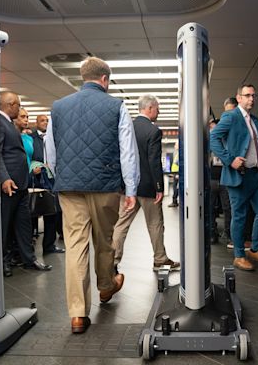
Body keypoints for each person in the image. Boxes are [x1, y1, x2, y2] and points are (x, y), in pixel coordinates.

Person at [45, 57, 140, 334]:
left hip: (69, 186)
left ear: (82, 78)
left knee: (75, 246)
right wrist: (131, 188)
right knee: (104, 241)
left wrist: (58, 174)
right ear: (105, 80)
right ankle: (106, 287)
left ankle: (77, 314)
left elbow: (50, 149)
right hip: (105, 185)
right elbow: (127, 150)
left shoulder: (59, 107)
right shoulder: (116, 106)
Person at [210, 84, 258, 271]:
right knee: (239, 216)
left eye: (254, 95)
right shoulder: (230, 117)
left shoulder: (255, 121)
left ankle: (254, 249)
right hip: (238, 175)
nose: (251, 99)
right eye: (247, 95)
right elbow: (213, 137)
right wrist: (229, 160)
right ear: (238, 98)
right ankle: (239, 255)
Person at [112, 95, 180, 271]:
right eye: (157, 108)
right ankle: (160, 259)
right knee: (155, 224)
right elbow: (154, 161)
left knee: (121, 224)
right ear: (149, 108)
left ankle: (112, 261)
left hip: (128, 187)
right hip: (148, 187)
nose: (158, 112)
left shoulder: (126, 128)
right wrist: (159, 187)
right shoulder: (153, 131)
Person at [0, 92, 53, 277]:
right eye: (18, 106)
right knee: (4, 226)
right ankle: (4, 262)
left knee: (24, 225)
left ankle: (28, 259)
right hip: (10, 185)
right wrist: (4, 178)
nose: (20, 109)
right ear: (10, 104)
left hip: (22, 184)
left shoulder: (10, 125)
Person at [30, 114, 65, 255]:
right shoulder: (31, 138)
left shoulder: (53, 138)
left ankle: (49, 245)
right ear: (36, 123)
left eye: (47, 121)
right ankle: (30, 244)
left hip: (52, 179)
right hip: (37, 179)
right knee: (34, 211)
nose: (45, 123)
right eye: (42, 121)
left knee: (52, 211)